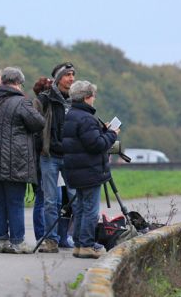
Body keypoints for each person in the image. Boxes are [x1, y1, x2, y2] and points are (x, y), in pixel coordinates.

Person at [0, 67, 44, 254]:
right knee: (15, 201)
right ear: (19, 82)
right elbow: (38, 123)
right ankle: (18, 241)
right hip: (16, 160)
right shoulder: (22, 103)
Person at [62, 80, 119, 259]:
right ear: (87, 97)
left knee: (80, 207)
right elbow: (96, 144)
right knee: (90, 209)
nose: (94, 99)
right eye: (93, 96)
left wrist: (101, 130)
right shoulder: (86, 118)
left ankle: (79, 243)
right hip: (89, 170)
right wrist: (111, 134)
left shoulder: (71, 114)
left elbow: (84, 140)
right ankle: (86, 244)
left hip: (74, 169)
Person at [37, 62, 77, 253]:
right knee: (50, 201)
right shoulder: (45, 99)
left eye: (73, 75)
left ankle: (81, 240)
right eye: (68, 74)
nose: (71, 78)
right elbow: (36, 125)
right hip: (50, 156)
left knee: (77, 199)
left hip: (71, 156)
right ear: (58, 78)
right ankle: (51, 241)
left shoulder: (77, 99)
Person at [31, 77, 53, 241]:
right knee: (43, 197)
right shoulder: (40, 103)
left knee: (43, 197)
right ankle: (42, 234)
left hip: (41, 153)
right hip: (42, 154)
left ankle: (45, 234)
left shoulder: (37, 102)